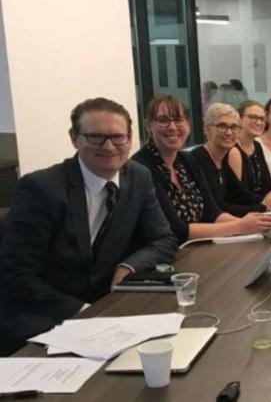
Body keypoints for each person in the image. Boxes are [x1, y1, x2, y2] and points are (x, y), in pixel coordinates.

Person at [0, 97, 178, 355]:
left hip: (105, 313)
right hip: (42, 320)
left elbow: (164, 238)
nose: (109, 147)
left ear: (129, 139)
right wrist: (85, 312)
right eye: (96, 137)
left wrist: (128, 266)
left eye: (118, 137)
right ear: (75, 138)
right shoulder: (41, 188)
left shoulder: (138, 177)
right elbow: (15, 275)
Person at [131, 95, 271, 244]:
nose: (172, 127)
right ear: (148, 126)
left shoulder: (187, 160)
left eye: (179, 120)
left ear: (188, 124)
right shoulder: (141, 168)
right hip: (168, 257)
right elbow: (177, 230)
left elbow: (212, 212)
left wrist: (253, 223)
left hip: (200, 247)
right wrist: (240, 226)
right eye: (163, 120)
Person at [191, 103, 267, 217]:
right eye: (222, 126)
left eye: (234, 127)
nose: (229, 132)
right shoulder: (199, 159)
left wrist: (269, 202)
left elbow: (240, 192)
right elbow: (219, 207)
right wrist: (263, 208)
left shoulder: (222, 158)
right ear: (206, 129)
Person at [226, 100, 271, 209]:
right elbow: (239, 195)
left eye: (262, 119)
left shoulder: (257, 146)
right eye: (253, 117)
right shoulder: (233, 150)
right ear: (239, 119)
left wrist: (270, 197)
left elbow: (268, 185)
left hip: (263, 208)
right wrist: (264, 200)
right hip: (245, 214)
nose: (259, 122)